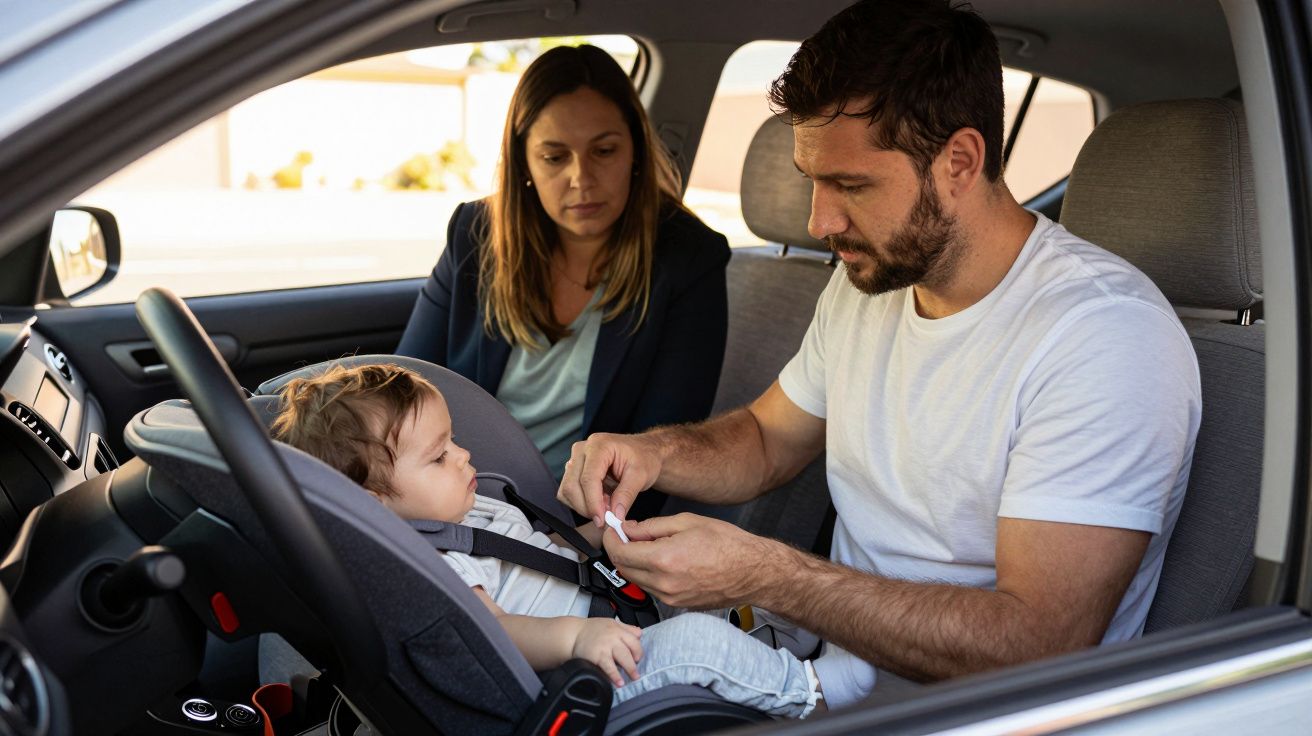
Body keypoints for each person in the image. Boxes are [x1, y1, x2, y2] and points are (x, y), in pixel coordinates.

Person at [556, 0, 1201, 709]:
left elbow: (1038, 642)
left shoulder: (1104, 337)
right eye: (813, 180)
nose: (819, 220)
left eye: (852, 185)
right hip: (820, 675)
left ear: (959, 162)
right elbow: (768, 439)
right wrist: (653, 455)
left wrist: (768, 575)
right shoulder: (869, 285)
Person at [270, 363, 823, 718]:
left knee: (738, 577)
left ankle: (806, 643)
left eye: (454, 441)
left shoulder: (467, 508)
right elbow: (491, 635)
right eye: (439, 457)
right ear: (371, 504)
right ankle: (815, 699)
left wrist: (602, 531)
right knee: (699, 643)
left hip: (613, 613)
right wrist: (574, 638)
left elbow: (541, 555)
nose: (463, 456)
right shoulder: (433, 564)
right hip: (580, 673)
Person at [396, 44, 731, 517]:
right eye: (555, 157)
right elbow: (405, 389)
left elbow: (657, 454)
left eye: (604, 151)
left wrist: (574, 541)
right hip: (446, 502)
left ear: (635, 151)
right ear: (525, 164)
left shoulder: (688, 258)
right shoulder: (476, 233)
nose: (581, 178)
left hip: (577, 522)